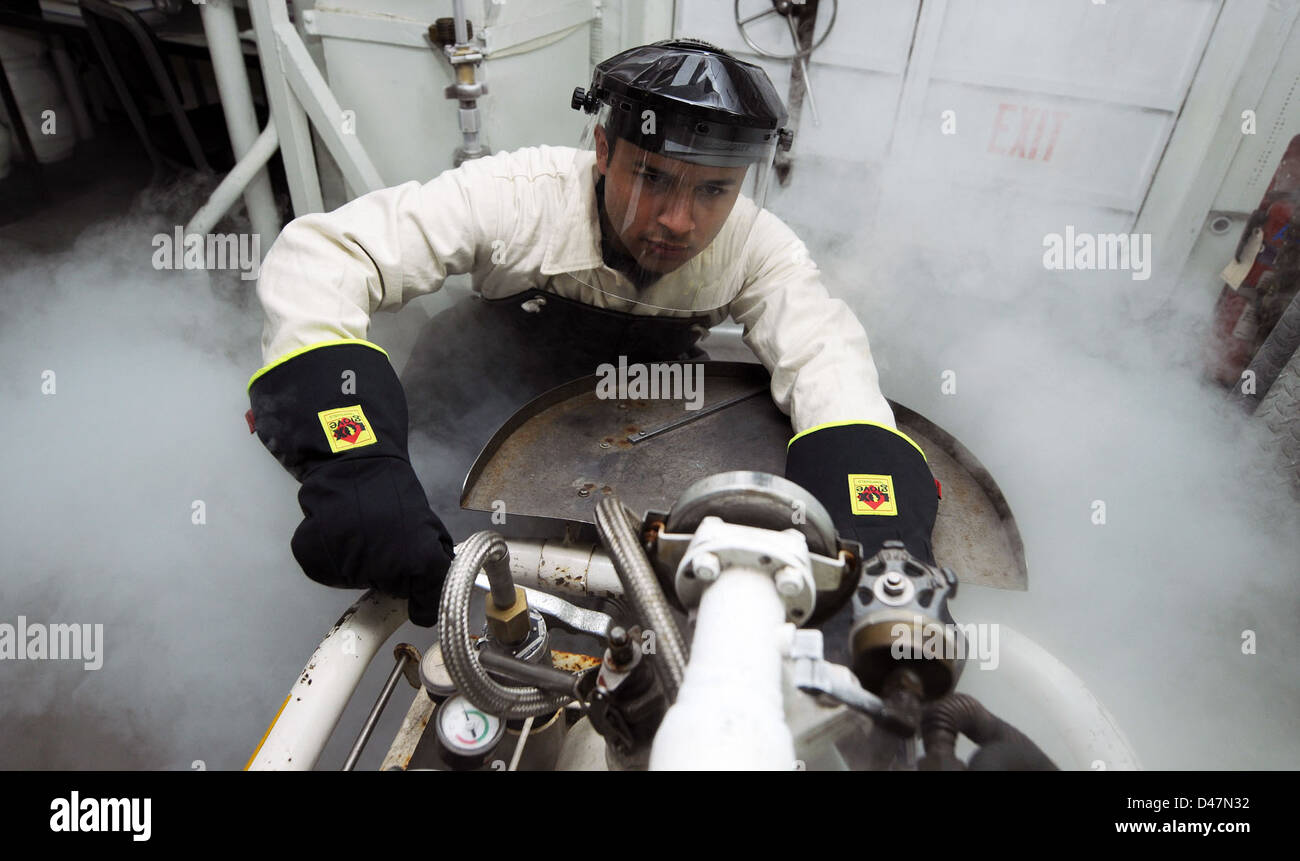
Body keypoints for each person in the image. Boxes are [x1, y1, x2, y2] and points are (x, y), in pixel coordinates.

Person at [246, 39, 939, 626]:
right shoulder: (521, 194)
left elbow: (828, 362)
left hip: (625, 424)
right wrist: (352, 455)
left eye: (712, 191)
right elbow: (325, 255)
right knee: (405, 552)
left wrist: (880, 544)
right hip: (469, 398)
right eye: (652, 178)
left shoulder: (759, 248)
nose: (677, 220)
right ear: (604, 149)